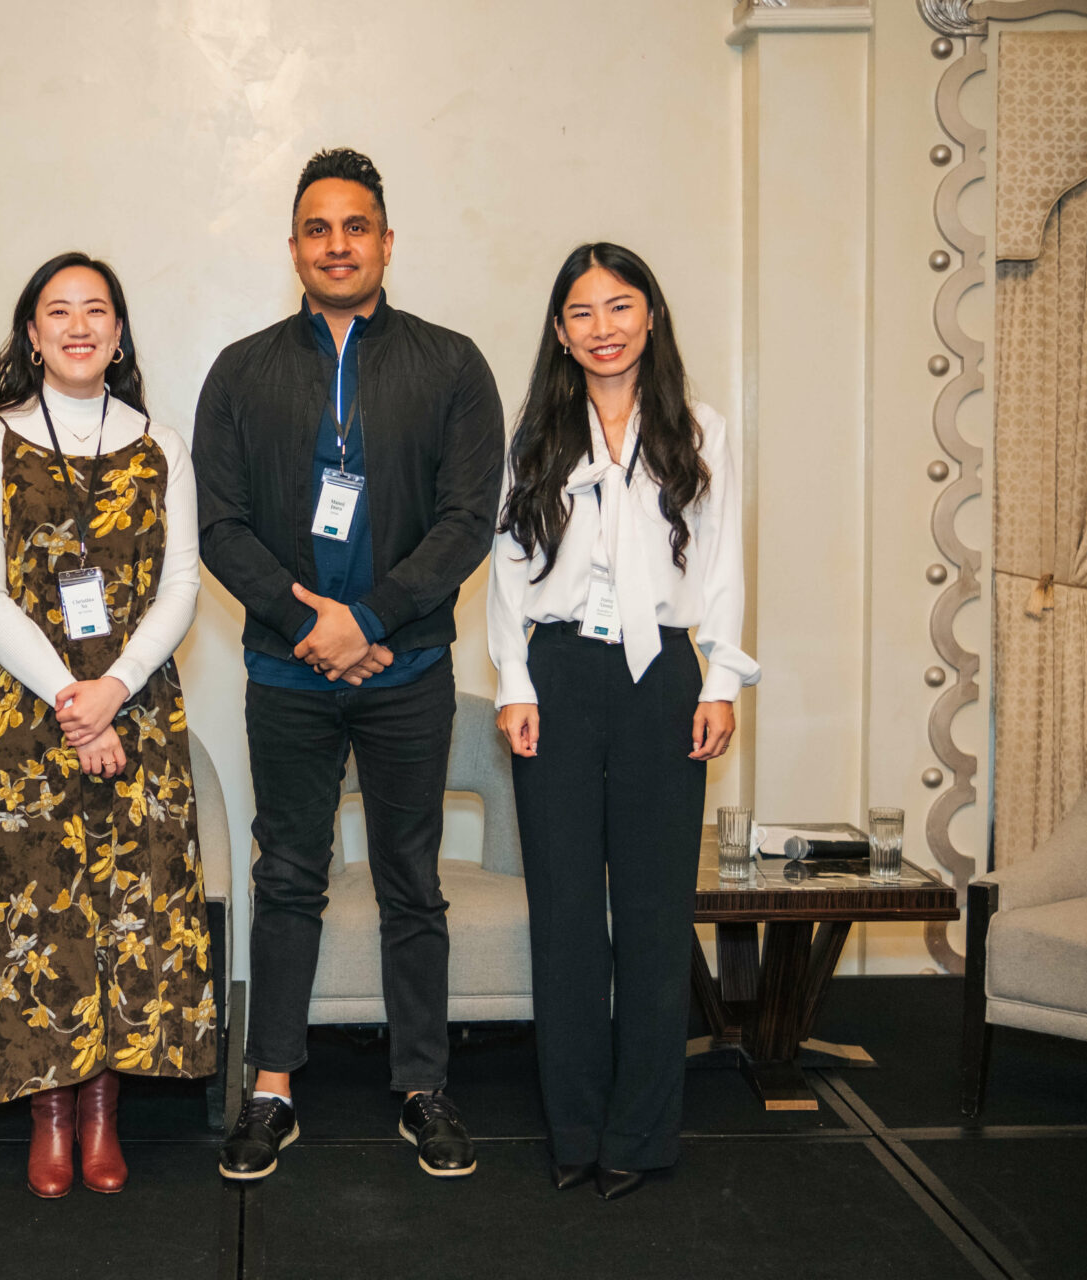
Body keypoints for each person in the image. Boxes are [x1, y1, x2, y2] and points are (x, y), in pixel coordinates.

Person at [195, 148, 504, 1182]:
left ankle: (423, 1085)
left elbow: (468, 521)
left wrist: (369, 616)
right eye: (318, 228)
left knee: (413, 881)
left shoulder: (452, 363)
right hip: (287, 675)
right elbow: (220, 524)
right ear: (292, 246)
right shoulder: (241, 370)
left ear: (385, 239)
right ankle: (272, 1086)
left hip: (407, 666)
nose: (338, 243)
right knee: (289, 876)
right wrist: (305, 621)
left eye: (356, 225)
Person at [488, 242, 759, 1201]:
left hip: (661, 681)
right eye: (582, 313)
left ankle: (639, 1136)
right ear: (560, 330)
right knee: (564, 918)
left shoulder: (702, 429)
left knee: (652, 916)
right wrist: (514, 681)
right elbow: (507, 566)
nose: (603, 328)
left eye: (620, 307)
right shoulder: (533, 432)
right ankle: (573, 1131)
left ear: (650, 316)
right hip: (557, 676)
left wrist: (720, 681)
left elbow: (721, 563)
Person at [0, 251, 216, 1198]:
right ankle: (49, 1115)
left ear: (119, 329)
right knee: (42, 912)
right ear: (30, 331)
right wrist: (75, 697)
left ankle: (106, 1110)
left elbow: (182, 583)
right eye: (56, 311)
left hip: (139, 711)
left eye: (95, 309)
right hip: (29, 720)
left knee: (136, 908)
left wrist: (118, 687)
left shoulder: (160, 443)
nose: (77, 325)